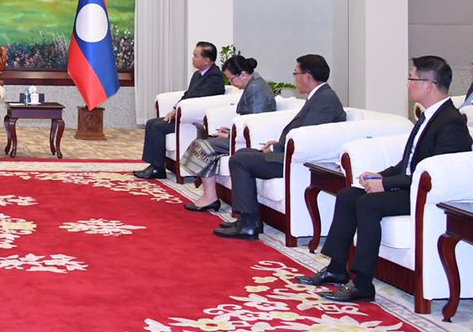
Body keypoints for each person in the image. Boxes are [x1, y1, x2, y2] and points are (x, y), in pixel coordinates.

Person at [299, 56, 473, 302]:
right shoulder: (429, 116)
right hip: (411, 185)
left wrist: (385, 185)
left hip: (425, 195)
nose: (408, 84)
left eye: (412, 78)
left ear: (428, 84)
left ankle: (362, 284)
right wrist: (380, 175)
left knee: (368, 203)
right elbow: (409, 163)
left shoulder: (450, 122)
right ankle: (337, 268)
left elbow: (435, 174)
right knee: (348, 195)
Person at [215, 53, 346, 240]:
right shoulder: (319, 96)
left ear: (307, 76)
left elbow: (307, 136)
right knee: (244, 154)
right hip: (290, 154)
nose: (295, 78)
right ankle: (248, 220)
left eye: (296, 73)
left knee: (240, 160)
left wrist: (277, 149)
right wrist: (277, 144)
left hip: (296, 161)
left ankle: (249, 223)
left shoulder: (325, 99)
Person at [180, 54, 275, 212]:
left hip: (249, 142)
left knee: (201, 146)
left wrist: (231, 136)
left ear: (243, 74)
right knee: (203, 143)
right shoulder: (254, 84)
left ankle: (210, 197)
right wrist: (231, 131)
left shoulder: (256, 89)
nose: (231, 83)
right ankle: (209, 195)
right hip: (241, 137)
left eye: (231, 79)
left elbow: (255, 125)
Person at [134, 41, 224, 180]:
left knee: (158, 127)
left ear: (206, 60)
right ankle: (154, 166)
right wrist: (175, 108)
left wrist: (180, 110)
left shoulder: (215, 77)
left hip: (195, 118)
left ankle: (158, 169)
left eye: (196, 56)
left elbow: (199, 98)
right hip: (185, 114)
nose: (192, 58)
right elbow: (188, 94)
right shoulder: (198, 74)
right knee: (151, 123)